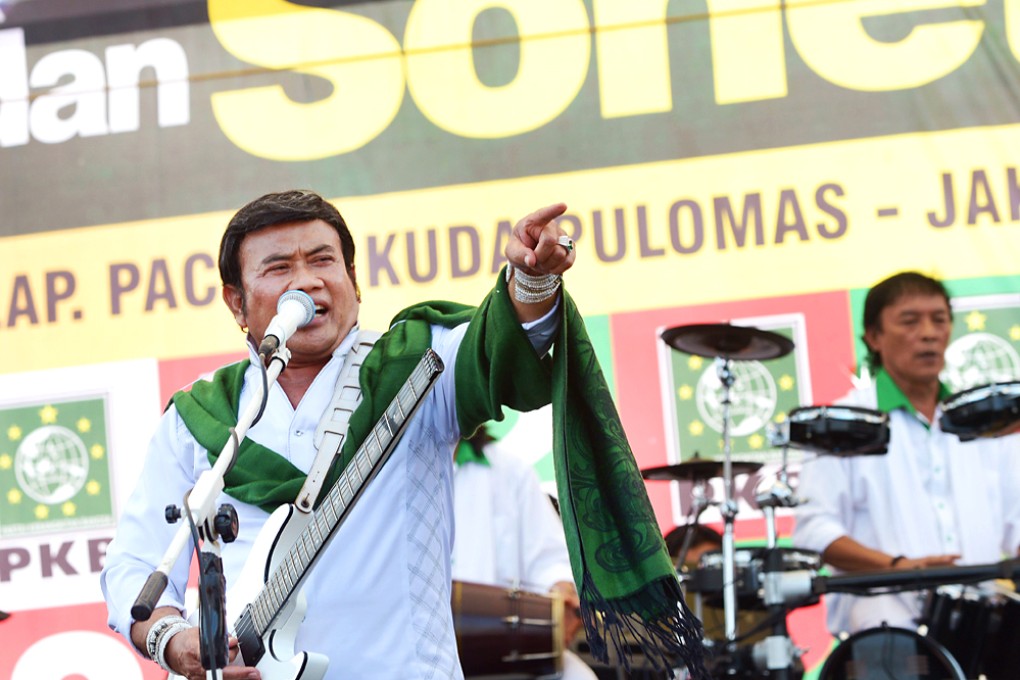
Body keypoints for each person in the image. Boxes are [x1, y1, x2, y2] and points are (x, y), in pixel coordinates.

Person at [100, 190, 705, 680]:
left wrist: (531, 284)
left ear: (353, 281)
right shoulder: (202, 418)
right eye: (279, 268)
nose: (307, 281)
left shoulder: (417, 367)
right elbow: (134, 563)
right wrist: (172, 638)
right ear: (237, 303)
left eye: (322, 260)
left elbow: (497, 347)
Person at [793, 271, 1020, 637]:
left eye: (939, 320)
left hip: (984, 607)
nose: (929, 333)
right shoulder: (845, 422)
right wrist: (900, 566)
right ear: (874, 337)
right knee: (883, 621)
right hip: (886, 607)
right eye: (910, 321)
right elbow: (815, 532)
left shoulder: (982, 419)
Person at [451, 426, 597, 680]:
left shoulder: (509, 471)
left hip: (501, 653)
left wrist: (561, 591)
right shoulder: (388, 469)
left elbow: (550, 560)